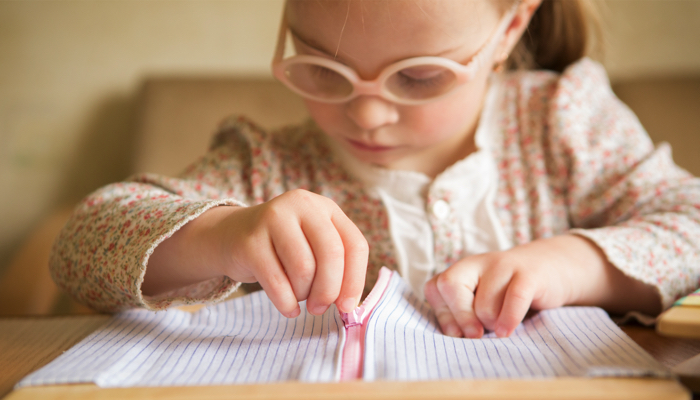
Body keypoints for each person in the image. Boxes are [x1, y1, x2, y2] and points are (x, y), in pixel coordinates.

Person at [50, 0, 700, 339]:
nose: (367, 116)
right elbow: (81, 248)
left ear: (509, 30)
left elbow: (690, 224)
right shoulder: (265, 165)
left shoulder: (564, 121)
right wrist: (221, 236)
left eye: (418, 76)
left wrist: (569, 265)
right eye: (322, 69)